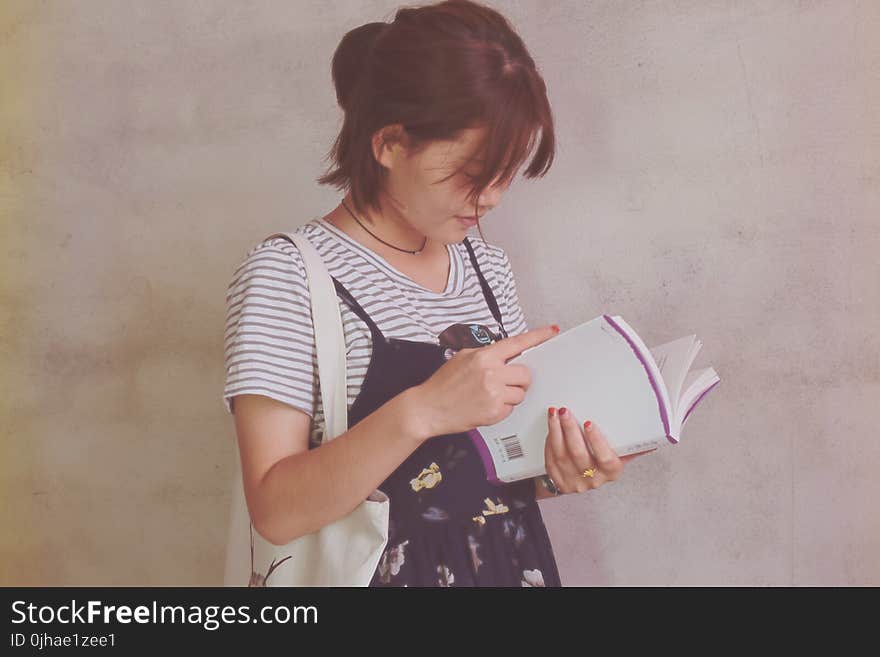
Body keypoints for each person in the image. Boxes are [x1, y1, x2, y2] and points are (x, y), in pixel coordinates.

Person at [223, 0, 650, 587]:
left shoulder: (487, 269)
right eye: (475, 174)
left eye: (507, 175)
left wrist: (560, 472)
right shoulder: (290, 274)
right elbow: (275, 510)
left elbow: (480, 482)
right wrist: (423, 410)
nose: (493, 197)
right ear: (391, 144)